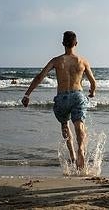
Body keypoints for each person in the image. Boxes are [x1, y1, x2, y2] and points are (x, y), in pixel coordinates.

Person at [21, 31, 96, 171]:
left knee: (65, 125)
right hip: (77, 95)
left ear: (63, 44)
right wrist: (92, 92)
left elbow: (40, 77)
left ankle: (73, 156)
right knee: (79, 125)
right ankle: (81, 149)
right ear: (76, 43)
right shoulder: (83, 61)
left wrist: (27, 95)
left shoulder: (56, 61)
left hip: (61, 98)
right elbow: (93, 81)